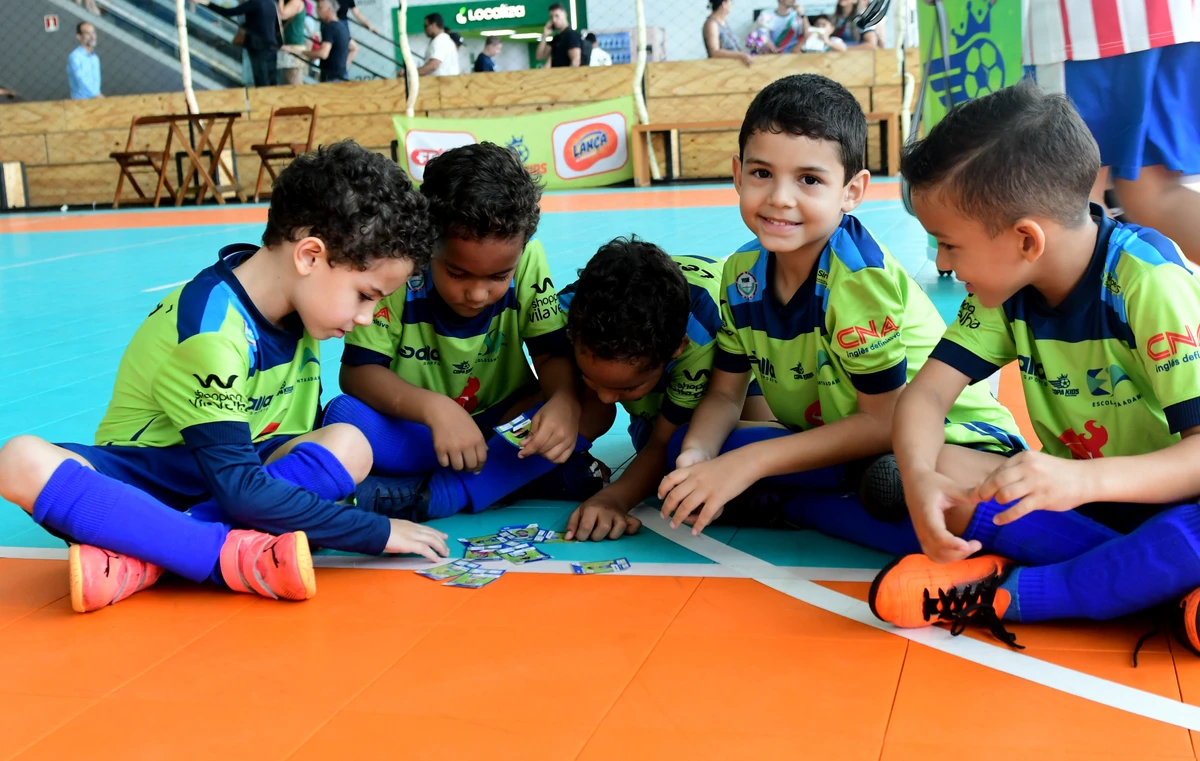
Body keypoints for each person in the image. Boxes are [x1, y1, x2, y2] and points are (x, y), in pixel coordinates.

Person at [0, 141, 449, 614]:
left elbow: (272, 463)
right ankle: (222, 555)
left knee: (350, 443)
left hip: (233, 479)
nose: (366, 317)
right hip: (148, 485)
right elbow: (240, 491)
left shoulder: (302, 307)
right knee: (19, 461)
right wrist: (375, 532)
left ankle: (150, 554)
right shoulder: (213, 331)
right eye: (365, 295)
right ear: (309, 256)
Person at [869, 80, 1200, 654]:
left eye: (949, 245)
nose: (942, 262)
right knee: (935, 465)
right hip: (1088, 500)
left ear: (1026, 239)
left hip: (1172, 496)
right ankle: (1150, 583)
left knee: (1187, 535)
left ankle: (1011, 592)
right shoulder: (1008, 289)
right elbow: (924, 397)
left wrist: (1083, 480)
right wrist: (921, 480)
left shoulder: (1148, 283)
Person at [655, 74, 1025, 555]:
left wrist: (748, 464)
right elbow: (726, 394)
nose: (780, 197)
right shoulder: (741, 273)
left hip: (939, 442)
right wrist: (698, 456)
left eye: (809, 180)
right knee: (679, 451)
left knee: (913, 494)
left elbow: (885, 421)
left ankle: (796, 503)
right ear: (738, 174)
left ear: (852, 191)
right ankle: (831, 489)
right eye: (762, 173)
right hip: (843, 442)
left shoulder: (857, 280)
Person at [322, 142, 604, 521]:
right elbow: (358, 372)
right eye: (457, 274)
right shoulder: (400, 268)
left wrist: (564, 402)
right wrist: (435, 410)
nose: (477, 294)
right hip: (422, 427)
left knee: (594, 404)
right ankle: (509, 478)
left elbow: (551, 353)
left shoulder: (529, 260)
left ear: (520, 252)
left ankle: (438, 493)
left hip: (505, 422)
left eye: (499, 276)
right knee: (344, 417)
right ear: (427, 246)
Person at [558, 239, 774, 541]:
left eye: (628, 387)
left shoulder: (703, 336)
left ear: (677, 349)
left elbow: (663, 442)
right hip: (657, 341)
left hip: (740, 375)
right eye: (591, 378)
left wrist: (613, 499)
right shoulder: (566, 312)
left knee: (749, 446)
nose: (606, 397)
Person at [1025, 4, 1200, 264]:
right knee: (1153, 192)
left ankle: (1117, 290)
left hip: (1083, 29)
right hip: (1174, 20)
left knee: (1074, 198)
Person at [199, 0, 283, 87]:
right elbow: (276, 27)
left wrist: (208, 4)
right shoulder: (271, 3)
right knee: (272, 79)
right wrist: (279, 44)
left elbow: (228, 12)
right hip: (272, 46)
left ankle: (263, 95)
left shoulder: (254, 4)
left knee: (261, 80)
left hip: (258, 48)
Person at [287, 0, 349, 82]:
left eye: (320, 7)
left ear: (329, 9)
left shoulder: (330, 27)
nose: (317, 10)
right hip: (341, 75)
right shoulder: (341, 26)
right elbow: (354, 48)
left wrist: (301, 52)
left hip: (331, 78)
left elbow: (323, 54)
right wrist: (342, 66)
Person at [536, 3, 588, 68]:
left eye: (557, 16)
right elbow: (540, 56)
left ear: (565, 15)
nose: (554, 20)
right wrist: (545, 35)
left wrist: (567, 74)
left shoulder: (571, 36)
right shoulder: (556, 39)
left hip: (566, 73)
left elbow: (575, 61)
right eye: (551, 17)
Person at [703, 0, 753, 66]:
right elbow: (714, 52)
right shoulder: (711, 24)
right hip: (721, 68)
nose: (731, 5)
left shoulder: (723, 22)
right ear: (724, 4)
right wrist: (741, 55)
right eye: (731, 2)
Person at [66, 22, 102, 100]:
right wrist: (97, 96)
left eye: (93, 32)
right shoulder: (75, 57)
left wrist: (98, 96)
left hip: (97, 102)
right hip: (80, 103)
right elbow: (81, 81)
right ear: (79, 36)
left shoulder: (95, 58)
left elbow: (96, 85)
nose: (92, 36)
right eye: (87, 33)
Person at [277, 0, 307, 85]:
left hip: (293, 47)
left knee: (293, 82)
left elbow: (282, 14)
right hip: (288, 46)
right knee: (288, 81)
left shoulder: (296, 1)